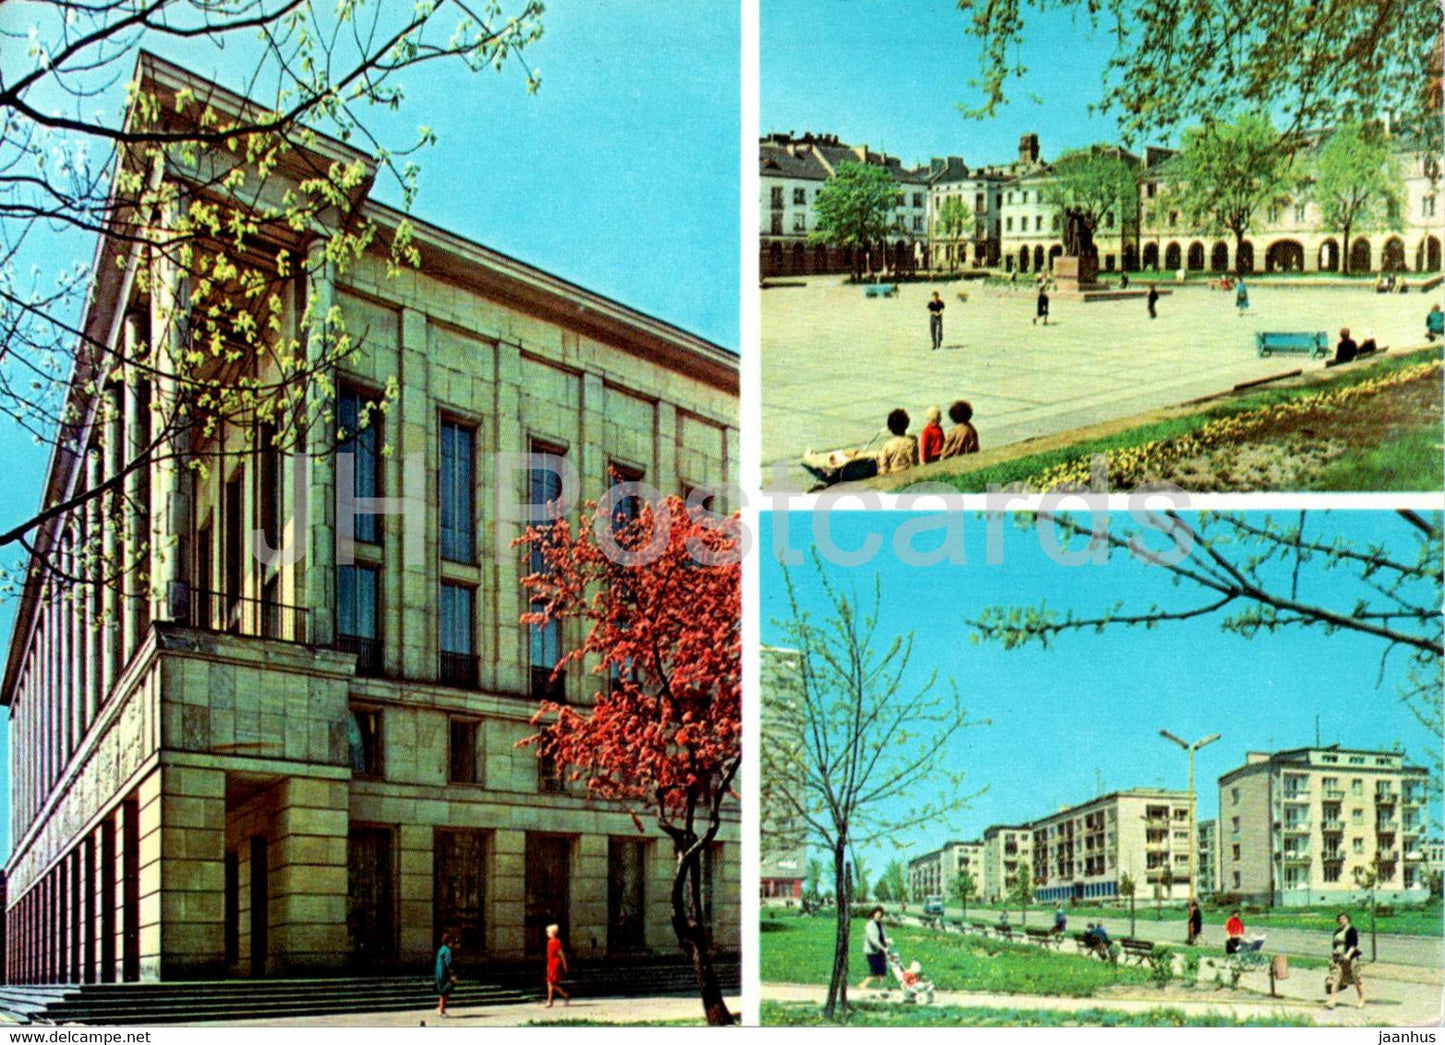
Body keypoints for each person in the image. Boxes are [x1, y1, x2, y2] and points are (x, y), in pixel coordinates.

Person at [1326, 912, 1365, 1010]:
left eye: (1343, 918)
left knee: (1356, 978)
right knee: (1335, 978)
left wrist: (1348, 955)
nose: (1341, 920)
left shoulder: (1351, 930)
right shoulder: (1337, 931)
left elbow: (1353, 944)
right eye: (1340, 919)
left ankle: (1361, 999)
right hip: (1338, 958)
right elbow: (1335, 945)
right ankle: (1332, 1000)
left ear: (1347, 919)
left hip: (1350, 957)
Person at [876, 408, 918, 476]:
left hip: (894, 475)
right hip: (910, 473)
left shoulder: (888, 445)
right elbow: (915, 461)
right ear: (907, 424)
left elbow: (883, 468)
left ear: (890, 428)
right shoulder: (912, 441)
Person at [859, 907, 889, 990]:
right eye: (877, 913)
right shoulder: (870, 925)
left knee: (882, 972)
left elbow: (883, 936)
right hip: (872, 951)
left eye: (880, 914)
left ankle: (881, 989)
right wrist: (882, 947)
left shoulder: (880, 924)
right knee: (875, 972)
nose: (879, 915)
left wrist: (887, 941)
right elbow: (873, 940)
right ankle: (863, 985)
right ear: (873, 914)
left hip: (881, 951)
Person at [545, 923, 570, 1007]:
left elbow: (561, 954)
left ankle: (551, 1000)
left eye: (548, 932)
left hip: (555, 964)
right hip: (551, 963)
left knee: (551, 983)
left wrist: (564, 964)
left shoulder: (556, 942)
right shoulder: (549, 942)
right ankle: (563, 996)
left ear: (552, 933)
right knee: (550, 982)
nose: (547, 933)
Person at [435, 931, 458, 1017]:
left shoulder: (441, 949)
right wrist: (453, 975)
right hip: (445, 973)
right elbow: (449, 963)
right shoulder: (448, 951)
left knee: (442, 991)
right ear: (450, 941)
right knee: (445, 992)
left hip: (439, 973)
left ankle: (440, 1008)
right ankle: (442, 1010)